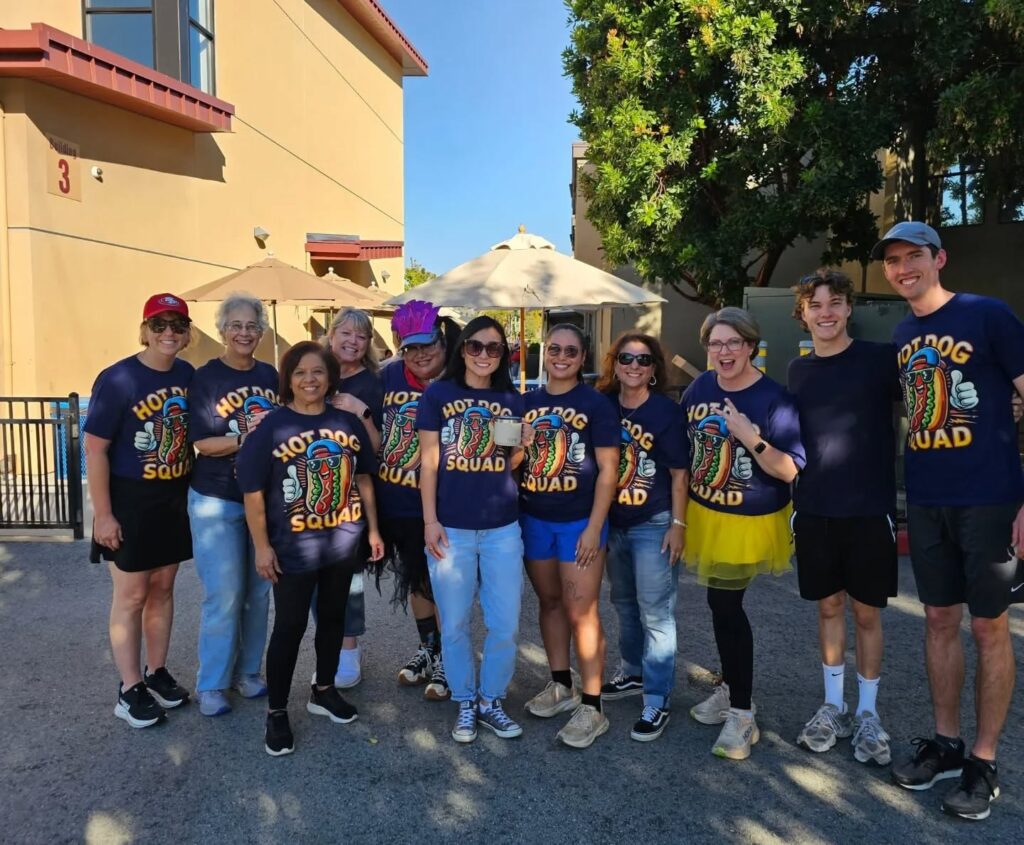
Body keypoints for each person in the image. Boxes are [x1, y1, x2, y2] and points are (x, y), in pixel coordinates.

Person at [876, 222, 1024, 821]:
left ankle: (983, 763)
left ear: (939, 259)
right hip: (928, 499)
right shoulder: (903, 333)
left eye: (914, 255)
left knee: (989, 628)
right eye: (893, 260)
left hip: (989, 498)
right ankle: (947, 745)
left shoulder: (988, 315)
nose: (903, 268)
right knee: (938, 619)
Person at [237, 341, 384, 756]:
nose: (309, 379)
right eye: (300, 372)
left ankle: (323, 689)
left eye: (318, 371)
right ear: (288, 379)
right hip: (293, 547)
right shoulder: (271, 427)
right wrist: (262, 547)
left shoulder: (347, 422)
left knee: (334, 619)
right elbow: (252, 493)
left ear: (331, 377)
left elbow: (364, 479)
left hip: (343, 541)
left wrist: (373, 531)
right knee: (290, 626)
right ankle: (277, 711)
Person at [787, 270, 900, 765]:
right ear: (803, 313)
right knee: (829, 607)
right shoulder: (797, 370)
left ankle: (868, 713)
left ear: (849, 307)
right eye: (815, 305)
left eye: (834, 302)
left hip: (870, 508)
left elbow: (929, 396)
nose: (826, 312)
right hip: (815, 507)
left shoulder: (880, 359)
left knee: (867, 613)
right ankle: (834, 706)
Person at [683, 307, 805, 760]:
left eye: (734, 342)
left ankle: (741, 712)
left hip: (748, 520)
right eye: (716, 343)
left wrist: (749, 437)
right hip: (705, 513)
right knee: (720, 606)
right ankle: (732, 689)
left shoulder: (774, 397)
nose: (725, 351)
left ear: (751, 346)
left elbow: (789, 468)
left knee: (726, 607)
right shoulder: (700, 387)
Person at [418, 316, 531, 744]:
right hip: (452, 528)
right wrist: (430, 521)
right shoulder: (438, 394)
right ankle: (465, 699)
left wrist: (522, 446)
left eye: (494, 347)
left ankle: (490, 700)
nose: (484, 354)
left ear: (503, 355)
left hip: (502, 527)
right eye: (475, 346)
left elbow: (509, 463)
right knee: (454, 624)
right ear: (462, 349)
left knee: (505, 624)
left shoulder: (511, 399)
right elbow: (429, 464)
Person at [84, 293, 195, 728]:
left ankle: (156, 671)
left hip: (173, 495)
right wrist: (103, 514)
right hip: (130, 497)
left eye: (177, 325)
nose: (169, 333)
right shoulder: (118, 379)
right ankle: (129, 688)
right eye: (159, 324)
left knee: (163, 587)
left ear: (187, 334)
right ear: (145, 330)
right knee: (131, 595)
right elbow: (95, 450)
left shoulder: (188, 375)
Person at [521, 324, 619, 748]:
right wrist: (518, 447)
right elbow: (508, 462)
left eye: (571, 351)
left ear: (583, 358)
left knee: (583, 612)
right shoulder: (525, 403)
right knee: (549, 602)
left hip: (579, 521)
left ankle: (593, 706)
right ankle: (562, 683)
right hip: (534, 518)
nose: (561, 357)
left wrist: (595, 527)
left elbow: (609, 470)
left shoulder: (595, 404)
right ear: (544, 353)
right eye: (555, 349)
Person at [187, 294, 279, 717]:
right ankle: (212, 683)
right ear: (223, 330)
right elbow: (203, 443)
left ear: (261, 331)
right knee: (224, 594)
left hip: (260, 499)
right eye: (236, 325)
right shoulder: (207, 378)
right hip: (217, 499)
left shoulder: (270, 375)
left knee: (258, 592)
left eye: (252, 326)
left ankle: (248, 672)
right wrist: (246, 439)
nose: (244, 332)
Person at [597, 333, 688, 743]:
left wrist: (678, 525)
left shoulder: (665, 411)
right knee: (623, 603)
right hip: (614, 522)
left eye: (644, 360)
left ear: (654, 369)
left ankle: (657, 696)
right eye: (627, 358)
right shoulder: (602, 404)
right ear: (614, 363)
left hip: (654, 521)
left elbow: (680, 474)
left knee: (656, 612)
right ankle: (633, 671)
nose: (634, 365)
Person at [377, 300, 450, 699]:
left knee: (445, 583)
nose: (420, 355)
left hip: (447, 505)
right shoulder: (386, 376)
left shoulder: (458, 379)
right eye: (411, 348)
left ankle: (449, 659)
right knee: (416, 580)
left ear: (442, 341)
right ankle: (430, 650)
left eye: (428, 345)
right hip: (400, 502)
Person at [323, 308, 384, 688]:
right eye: (345, 333)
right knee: (313, 580)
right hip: (311, 495)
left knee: (347, 580)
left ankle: (348, 650)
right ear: (331, 335)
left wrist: (359, 411)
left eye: (361, 336)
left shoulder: (372, 384)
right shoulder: (314, 372)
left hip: (352, 495)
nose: (352, 341)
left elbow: (376, 448)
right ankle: (326, 648)